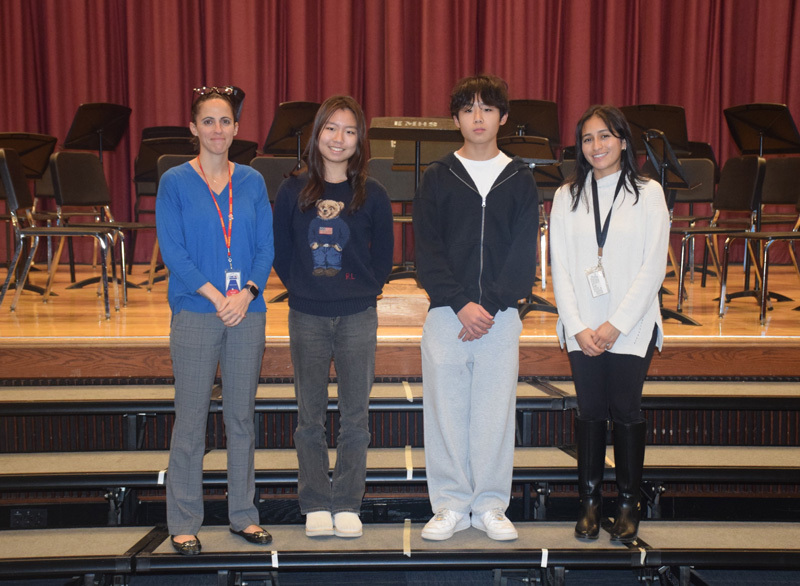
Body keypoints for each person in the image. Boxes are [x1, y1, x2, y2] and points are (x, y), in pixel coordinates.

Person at [413, 75, 539, 542]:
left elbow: (523, 253)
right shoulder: (437, 176)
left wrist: (487, 306)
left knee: (493, 412)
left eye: (488, 109)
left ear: (503, 117)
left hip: (500, 317)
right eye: (468, 109)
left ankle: (489, 505)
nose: (478, 117)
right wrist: (461, 303)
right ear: (456, 119)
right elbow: (426, 251)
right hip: (448, 314)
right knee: (444, 411)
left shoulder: (520, 177)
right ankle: (448, 505)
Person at [156, 86, 275, 555]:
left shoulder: (252, 181)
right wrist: (216, 295)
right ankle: (184, 520)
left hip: (246, 312)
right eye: (208, 121)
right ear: (193, 128)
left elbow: (266, 247)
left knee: (241, 418)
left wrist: (245, 293)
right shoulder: (174, 182)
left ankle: (243, 515)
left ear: (237, 129)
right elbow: (175, 253)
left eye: (225, 121)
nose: (217, 130)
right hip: (196, 311)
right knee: (191, 420)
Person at [272, 95, 394, 538]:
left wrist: (362, 291)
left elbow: (383, 259)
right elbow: (282, 255)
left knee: (355, 416)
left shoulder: (373, 193)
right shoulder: (292, 190)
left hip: (357, 314)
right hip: (306, 313)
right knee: (310, 416)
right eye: (331, 128)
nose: (338, 138)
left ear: (360, 139)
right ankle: (314, 501)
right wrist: (307, 288)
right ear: (317, 133)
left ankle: (346, 502)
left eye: (349, 130)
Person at [549, 104, 670, 543]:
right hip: (581, 326)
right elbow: (558, 267)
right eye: (587, 139)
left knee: (625, 411)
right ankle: (589, 503)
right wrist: (578, 325)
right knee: (590, 412)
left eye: (604, 136)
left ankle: (627, 504)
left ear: (622, 141)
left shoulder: (648, 192)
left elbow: (653, 267)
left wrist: (616, 324)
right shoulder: (567, 196)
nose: (596, 146)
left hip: (631, 326)